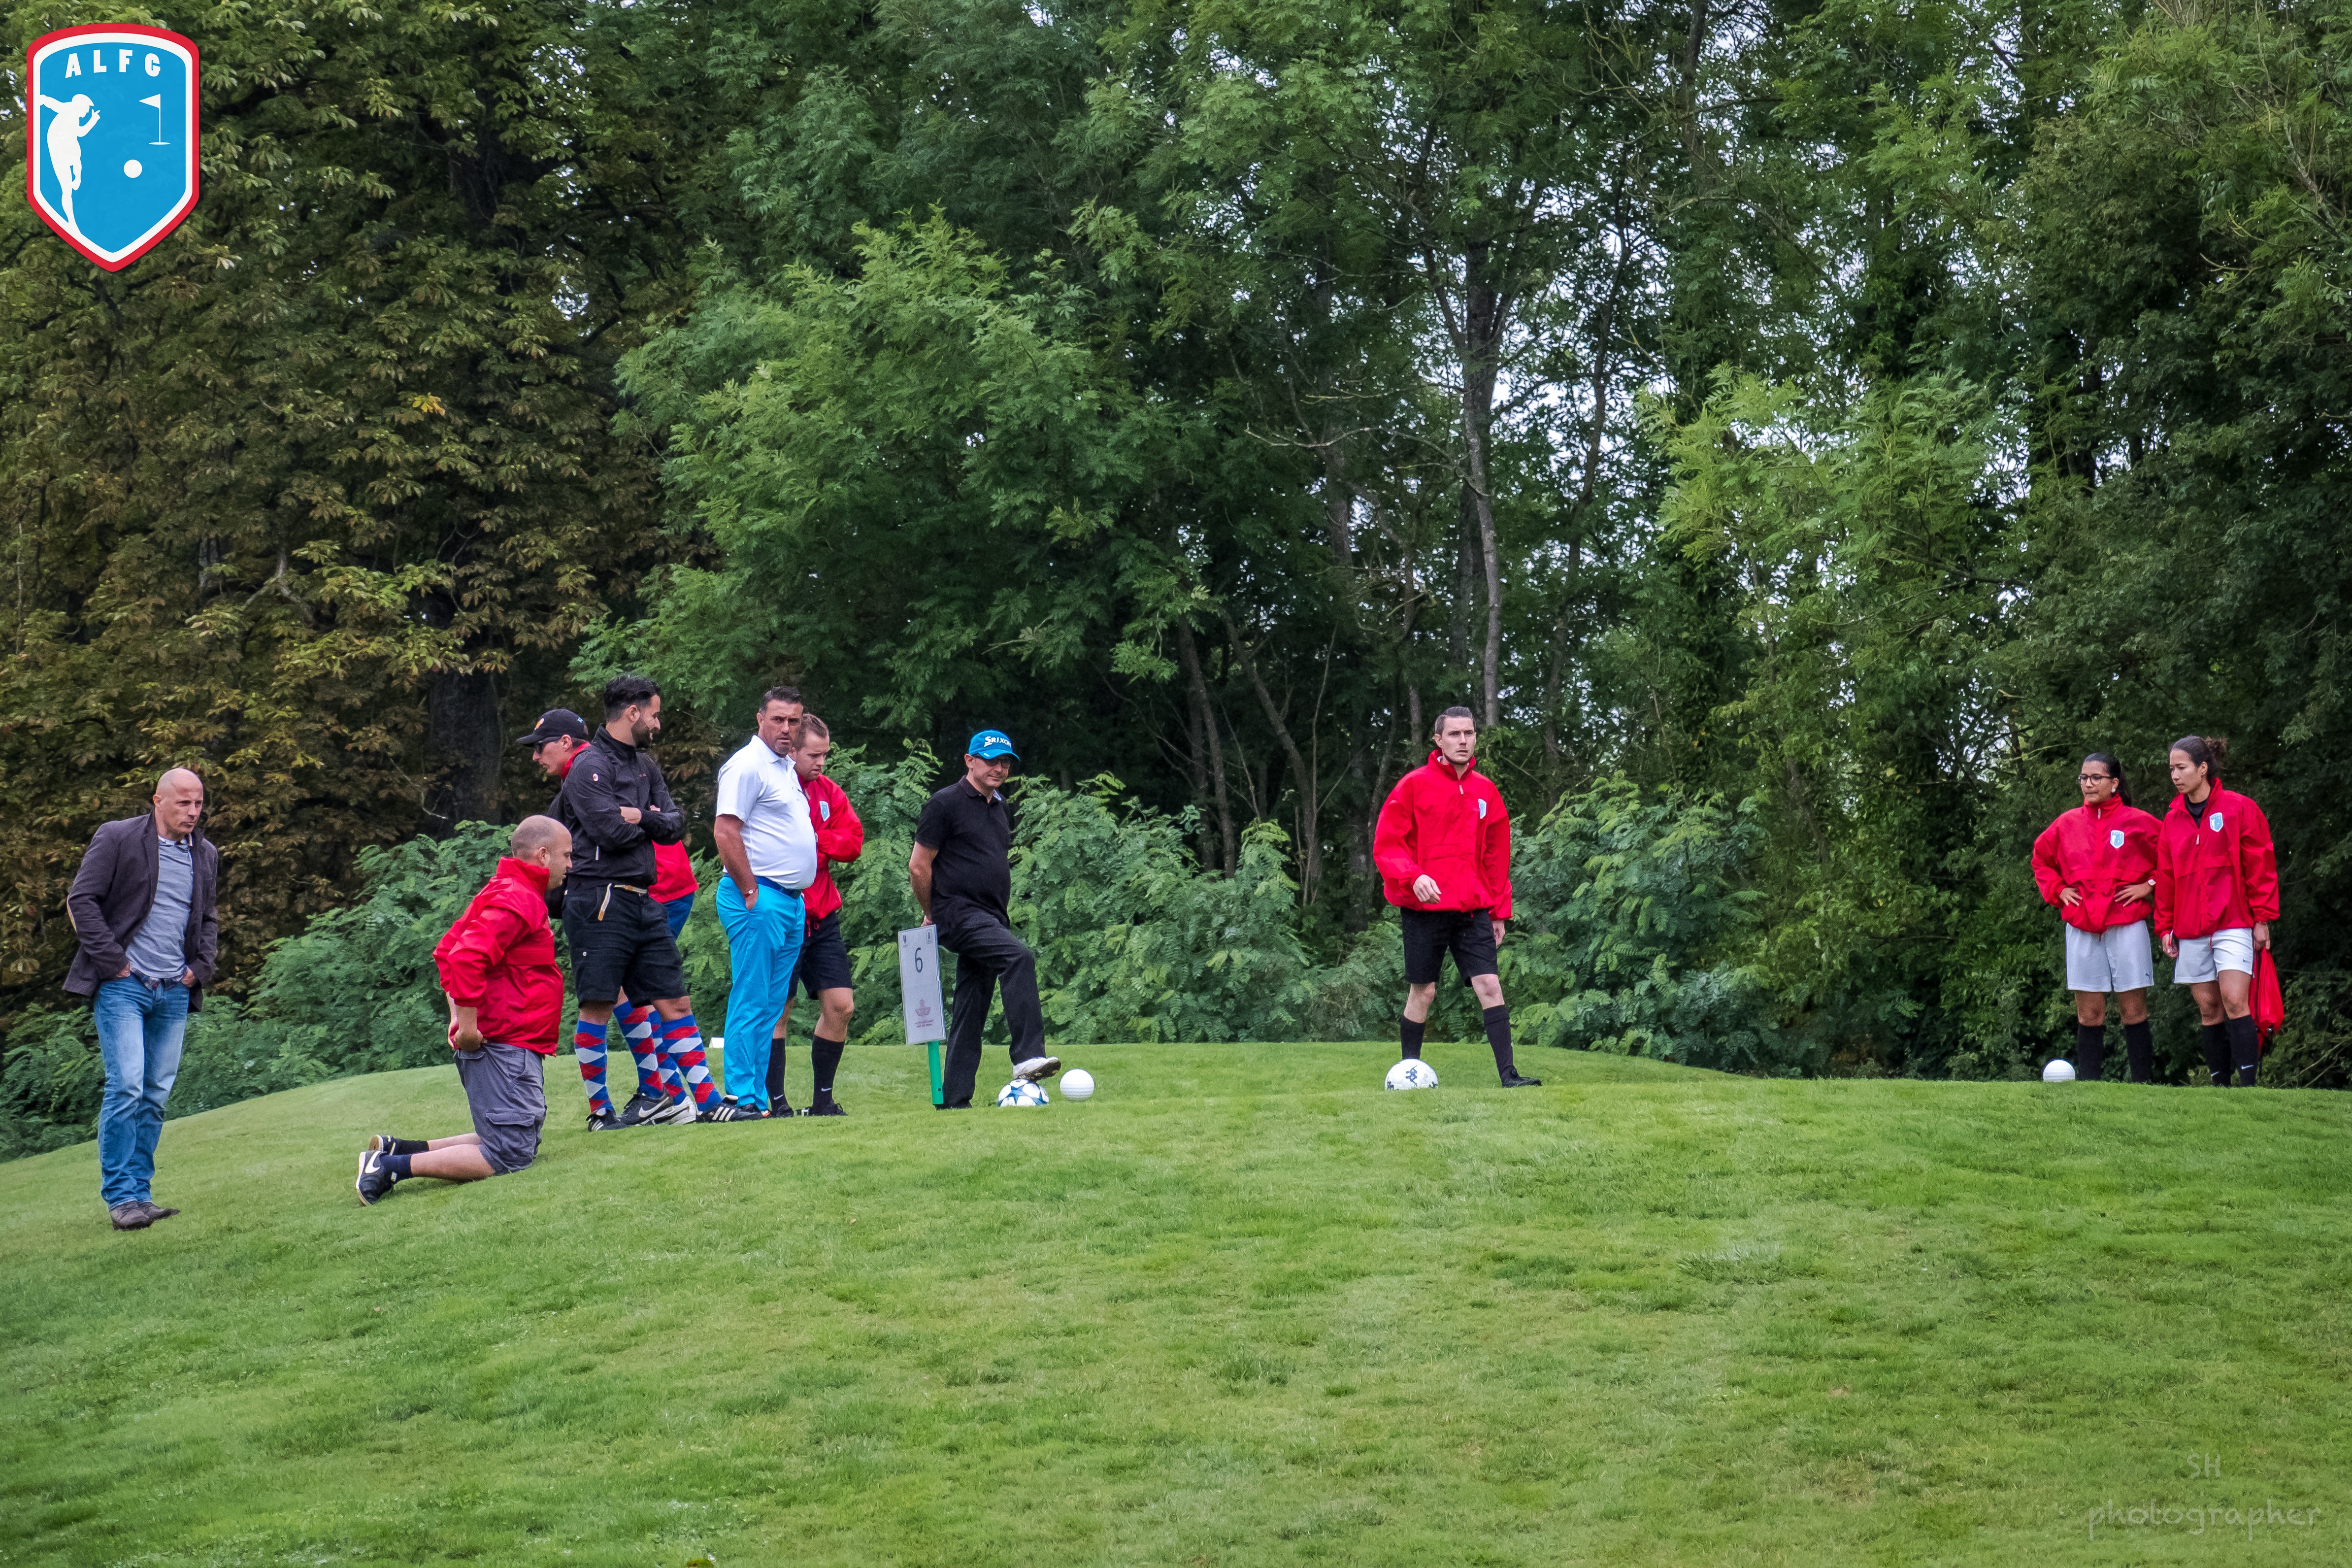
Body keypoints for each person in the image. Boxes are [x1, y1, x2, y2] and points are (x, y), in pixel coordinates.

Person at [557, 674, 758, 1123]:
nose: (658, 723)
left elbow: (675, 825)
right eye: (654, 714)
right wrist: (647, 820)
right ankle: (600, 1112)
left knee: (675, 1001)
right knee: (598, 1005)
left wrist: (641, 818)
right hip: (598, 897)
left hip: (643, 898)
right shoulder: (588, 766)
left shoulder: (646, 766)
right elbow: (610, 832)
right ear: (633, 712)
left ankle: (709, 1104)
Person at [357, 817, 571, 1202]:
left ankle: (399, 1149)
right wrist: (467, 1027)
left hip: (509, 1041)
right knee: (509, 1153)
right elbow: (465, 958)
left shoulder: (506, 890)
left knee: (516, 1137)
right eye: (567, 855)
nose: (571, 864)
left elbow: (447, 951)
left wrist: (458, 1015)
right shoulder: (518, 897)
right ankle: (387, 1167)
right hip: (504, 1043)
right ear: (543, 855)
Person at [518, 707, 695, 1127]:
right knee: (625, 993)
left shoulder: (589, 773)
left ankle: (659, 1096)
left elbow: (609, 836)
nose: (535, 756)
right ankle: (664, 1095)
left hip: (641, 892)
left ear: (565, 743)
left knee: (631, 995)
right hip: (655, 888)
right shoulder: (602, 769)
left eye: (540, 747)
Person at [65, 768, 220, 1231]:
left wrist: (200, 968)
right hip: (124, 987)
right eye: (184, 803)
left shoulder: (206, 853)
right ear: (158, 800)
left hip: (174, 990)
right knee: (127, 1085)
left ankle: (140, 1194)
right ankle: (120, 1198)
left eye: (198, 803)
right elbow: (82, 899)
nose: (193, 812)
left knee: (154, 1095)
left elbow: (208, 918)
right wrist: (114, 961)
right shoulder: (118, 837)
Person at [1373, 707, 1541, 1088]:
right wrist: (1413, 876)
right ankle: (1408, 1075)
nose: (1462, 741)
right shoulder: (1413, 785)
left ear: (1475, 738)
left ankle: (1509, 1076)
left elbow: (1496, 857)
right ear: (1438, 740)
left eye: (1468, 733)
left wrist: (1498, 912)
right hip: (1424, 909)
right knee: (1424, 992)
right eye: (1454, 734)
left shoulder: (1485, 791)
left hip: (1472, 909)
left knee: (1489, 985)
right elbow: (1387, 843)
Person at [910, 730, 1060, 1108]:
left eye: (1005, 762)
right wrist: (932, 912)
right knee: (1018, 957)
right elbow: (918, 865)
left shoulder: (1000, 807)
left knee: (972, 1003)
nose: (999, 768)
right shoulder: (944, 803)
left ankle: (954, 1099)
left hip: (991, 916)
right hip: (957, 913)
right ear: (969, 760)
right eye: (991, 760)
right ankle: (1027, 1057)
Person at [712, 688, 819, 1116]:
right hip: (758, 897)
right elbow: (725, 831)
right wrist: (751, 892)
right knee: (752, 998)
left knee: (772, 1005)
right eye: (778, 719)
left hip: (790, 902)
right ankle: (741, 1095)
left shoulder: (785, 767)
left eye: (794, 721)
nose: (786, 728)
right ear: (760, 719)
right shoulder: (747, 765)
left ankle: (757, 1098)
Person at [2155, 735, 2280, 1087]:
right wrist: (2164, 926)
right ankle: (2220, 1090)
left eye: (2181, 768)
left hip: (2233, 921)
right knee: (2209, 1008)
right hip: (2190, 928)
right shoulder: (2172, 820)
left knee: (2234, 999)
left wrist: (2262, 919)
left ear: (2203, 768)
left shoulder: (2240, 808)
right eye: (2171, 769)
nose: (2175, 775)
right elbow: (2166, 877)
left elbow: (2260, 866)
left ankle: (2248, 1087)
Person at [2031, 753, 2162, 1082]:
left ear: (2114, 783)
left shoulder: (2139, 822)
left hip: (2126, 924)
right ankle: (2090, 1087)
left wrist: (2148, 885)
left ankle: (2143, 1086)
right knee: (2089, 1013)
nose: (2088, 784)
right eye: (2083, 778)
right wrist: (2058, 890)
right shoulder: (2067, 823)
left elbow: (2175, 857)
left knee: (2133, 1010)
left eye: (2096, 778)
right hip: (2082, 926)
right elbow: (2040, 859)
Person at [774, 715, 863, 1115]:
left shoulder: (828, 790)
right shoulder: (775, 787)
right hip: (783, 910)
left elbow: (853, 842)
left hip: (823, 914)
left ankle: (822, 1101)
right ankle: (776, 1104)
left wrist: (814, 839)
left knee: (841, 1005)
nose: (822, 762)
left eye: (825, 754)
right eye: (814, 754)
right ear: (791, 750)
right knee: (779, 1008)